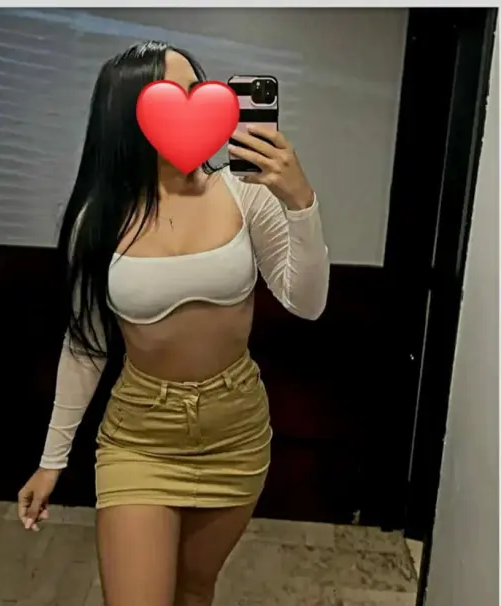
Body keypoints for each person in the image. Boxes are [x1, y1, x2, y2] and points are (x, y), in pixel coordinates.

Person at [17, 40, 330, 606]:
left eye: (198, 90)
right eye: (175, 95)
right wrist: (50, 461)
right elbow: (86, 345)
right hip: (141, 435)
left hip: (235, 428)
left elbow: (306, 302)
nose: (196, 106)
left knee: (193, 590)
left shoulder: (245, 193)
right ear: (130, 114)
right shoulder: (99, 218)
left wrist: (301, 202)